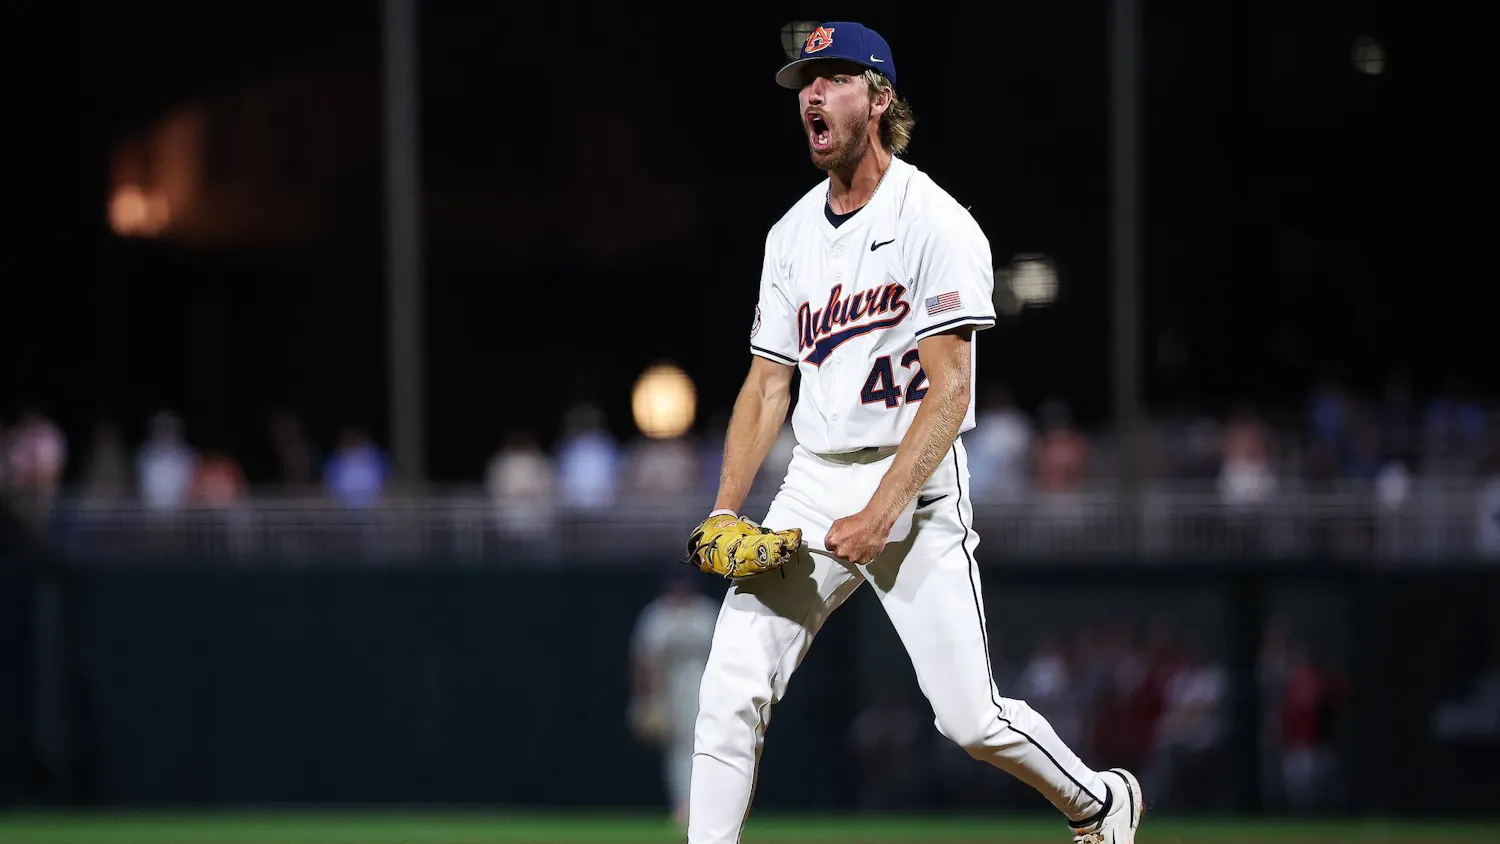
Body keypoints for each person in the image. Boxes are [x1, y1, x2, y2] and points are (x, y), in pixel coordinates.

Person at [684, 22, 1142, 843]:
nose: (812, 95)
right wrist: (726, 508)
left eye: (831, 78)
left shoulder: (938, 223)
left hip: (917, 483)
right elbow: (766, 385)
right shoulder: (788, 237)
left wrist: (883, 510)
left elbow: (951, 392)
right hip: (816, 477)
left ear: (880, 97)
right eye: (805, 83)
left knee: (969, 718)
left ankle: (1101, 802)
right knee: (728, 688)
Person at [629, 576, 719, 830]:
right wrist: (646, 699)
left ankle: (709, 807)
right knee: (680, 751)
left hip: (707, 688)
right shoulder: (657, 616)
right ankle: (684, 807)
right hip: (670, 691)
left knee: (709, 747)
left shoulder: (706, 613)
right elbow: (645, 662)